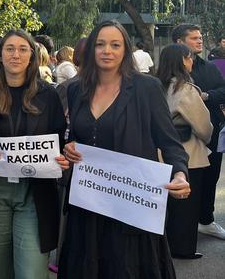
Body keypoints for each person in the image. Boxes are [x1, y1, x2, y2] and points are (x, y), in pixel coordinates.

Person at [59, 20, 190, 278]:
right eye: (100, 44)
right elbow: (75, 137)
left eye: (115, 45)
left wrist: (180, 174)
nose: (107, 50)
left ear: (125, 50)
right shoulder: (76, 89)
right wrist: (69, 148)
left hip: (131, 208)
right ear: (91, 50)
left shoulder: (146, 88)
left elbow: (170, 142)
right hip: (88, 206)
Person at [0, 29, 69, 279]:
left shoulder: (49, 95)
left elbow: (58, 138)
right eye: (10, 49)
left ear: (33, 56)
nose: (16, 55)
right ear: (0, 56)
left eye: (23, 49)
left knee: (32, 270)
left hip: (34, 193)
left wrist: (60, 157)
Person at [157, 43, 212, 260]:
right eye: (189, 58)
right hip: (187, 153)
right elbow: (203, 126)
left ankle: (162, 247)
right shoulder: (184, 89)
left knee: (163, 206)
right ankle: (183, 248)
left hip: (159, 152)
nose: (192, 62)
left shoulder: (155, 85)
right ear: (182, 61)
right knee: (186, 208)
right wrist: (208, 138)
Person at [172, 23, 225, 240]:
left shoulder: (210, 67)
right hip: (182, 140)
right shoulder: (168, 70)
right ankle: (179, 228)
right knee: (182, 180)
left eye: (200, 37)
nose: (200, 41)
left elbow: (223, 90)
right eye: (194, 38)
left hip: (210, 133)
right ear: (179, 42)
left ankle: (206, 219)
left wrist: (206, 97)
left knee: (210, 178)